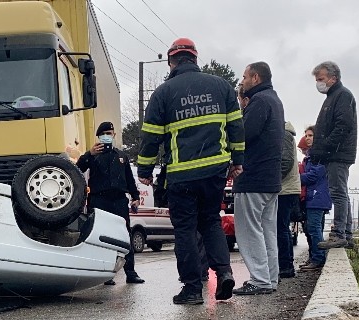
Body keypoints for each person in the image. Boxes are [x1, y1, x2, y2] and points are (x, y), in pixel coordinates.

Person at [136, 38, 244, 305]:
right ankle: (224, 271)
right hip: (214, 170)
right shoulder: (221, 86)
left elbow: (151, 137)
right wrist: (237, 160)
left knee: (185, 230)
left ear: (171, 61)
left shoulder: (163, 93)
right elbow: (236, 128)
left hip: (182, 174)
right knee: (210, 221)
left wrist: (145, 169)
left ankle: (193, 288)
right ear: (195, 59)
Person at [232, 61, 284, 296]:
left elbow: (244, 134)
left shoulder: (260, 101)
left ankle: (260, 280)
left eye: (244, 77)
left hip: (253, 177)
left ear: (255, 77)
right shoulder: (274, 100)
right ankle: (270, 278)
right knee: (267, 232)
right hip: (270, 180)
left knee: (249, 231)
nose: (242, 81)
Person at [77, 122, 145, 284]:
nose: (108, 136)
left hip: (119, 200)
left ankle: (131, 272)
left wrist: (135, 196)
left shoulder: (121, 156)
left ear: (114, 135)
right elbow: (78, 168)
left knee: (125, 235)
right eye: (105, 133)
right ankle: (105, 274)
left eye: (111, 133)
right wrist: (89, 154)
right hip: (99, 200)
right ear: (99, 136)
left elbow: (129, 178)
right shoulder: (92, 155)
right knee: (101, 236)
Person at [310, 61, 358, 250]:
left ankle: (339, 233)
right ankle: (346, 233)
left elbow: (342, 126)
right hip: (335, 154)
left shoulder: (342, 95)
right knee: (341, 192)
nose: (318, 83)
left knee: (338, 193)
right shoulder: (333, 96)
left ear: (333, 77)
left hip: (338, 154)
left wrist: (327, 147)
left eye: (320, 79)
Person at [299, 126, 331, 270]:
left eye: (310, 135)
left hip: (317, 197)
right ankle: (314, 257)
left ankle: (318, 259)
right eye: (306, 135)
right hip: (314, 197)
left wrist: (296, 178)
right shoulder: (311, 157)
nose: (307, 137)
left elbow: (313, 176)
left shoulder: (319, 156)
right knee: (313, 228)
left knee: (314, 228)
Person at [277, 121, 301, 278]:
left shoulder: (284, 134)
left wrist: (273, 180)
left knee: (281, 228)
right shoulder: (285, 134)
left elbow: (285, 162)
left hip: (285, 189)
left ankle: (286, 266)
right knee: (281, 228)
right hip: (285, 188)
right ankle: (285, 265)